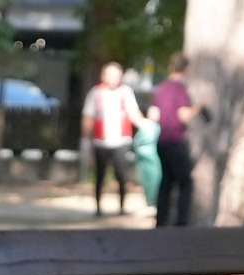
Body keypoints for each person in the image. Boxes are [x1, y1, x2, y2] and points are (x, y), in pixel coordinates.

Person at [83, 61, 143, 215]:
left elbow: (133, 113)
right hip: (101, 141)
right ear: (104, 77)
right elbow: (88, 117)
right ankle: (98, 208)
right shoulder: (96, 93)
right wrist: (85, 138)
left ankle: (122, 207)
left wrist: (146, 125)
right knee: (100, 176)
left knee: (121, 175)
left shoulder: (126, 92)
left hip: (121, 141)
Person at [150, 53, 195, 227]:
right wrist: (198, 108)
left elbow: (153, 114)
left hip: (162, 141)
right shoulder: (180, 89)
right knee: (185, 183)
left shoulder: (161, 88)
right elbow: (184, 115)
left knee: (166, 181)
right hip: (176, 140)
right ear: (187, 70)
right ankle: (181, 222)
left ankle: (161, 221)